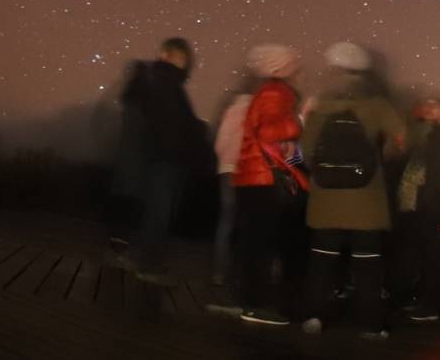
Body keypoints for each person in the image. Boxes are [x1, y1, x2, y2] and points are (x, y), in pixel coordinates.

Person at [300, 41, 406, 340]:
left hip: (325, 201)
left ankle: (314, 316)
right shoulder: (377, 106)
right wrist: (378, 160)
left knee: (322, 262)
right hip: (366, 201)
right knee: (368, 265)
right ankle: (371, 324)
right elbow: (400, 140)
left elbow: (306, 152)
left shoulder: (318, 108)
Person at [117, 37, 208, 283]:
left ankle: (137, 257)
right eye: (182, 58)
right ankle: (149, 265)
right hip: (166, 157)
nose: (185, 64)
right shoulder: (167, 81)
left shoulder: (149, 80)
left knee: (152, 209)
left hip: (149, 155)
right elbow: (174, 124)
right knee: (160, 211)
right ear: (169, 55)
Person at [231, 44, 307, 326]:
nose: (299, 71)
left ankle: (250, 301)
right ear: (280, 68)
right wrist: (298, 124)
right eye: (293, 66)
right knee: (262, 244)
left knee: (255, 242)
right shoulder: (277, 91)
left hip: (253, 176)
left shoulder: (266, 91)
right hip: (264, 178)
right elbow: (269, 131)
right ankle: (256, 305)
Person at [395, 93, 440, 323]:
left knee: (434, 256)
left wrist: (438, 201)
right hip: (412, 202)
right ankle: (419, 300)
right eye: (427, 105)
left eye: (435, 106)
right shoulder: (417, 134)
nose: (429, 109)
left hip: (430, 203)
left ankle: (431, 305)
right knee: (416, 254)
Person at [211, 85, 255, 286]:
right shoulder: (259, 113)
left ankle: (220, 272)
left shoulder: (233, 110)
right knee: (246, 222)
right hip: (249, 172)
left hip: (228, 170)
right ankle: (242, 272)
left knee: (226, 222)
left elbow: (220, 144)